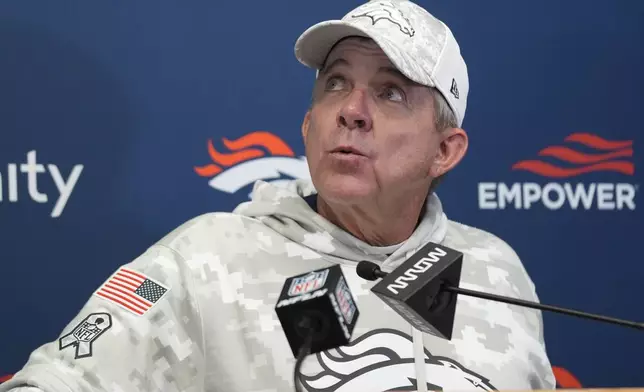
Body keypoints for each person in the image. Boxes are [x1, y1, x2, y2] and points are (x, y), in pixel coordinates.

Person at [0, 1, 556, 391]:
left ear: (446, 150)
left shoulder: (495, 270)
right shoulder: (203, 258)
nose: (352, 109)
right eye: (336, 83)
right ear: (308, 125)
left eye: (390, 92)